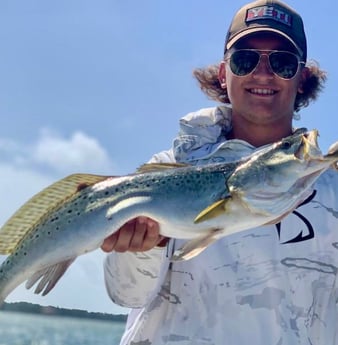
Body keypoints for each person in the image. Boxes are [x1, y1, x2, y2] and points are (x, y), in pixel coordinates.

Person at [101, 0, 338, 344]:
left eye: (283, 63)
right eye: (245, 60)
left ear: (302, 79)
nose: (263, 73)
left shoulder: (333, 190)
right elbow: (127, 295)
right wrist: (141, 248)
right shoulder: (167, 172)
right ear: (224, 73)